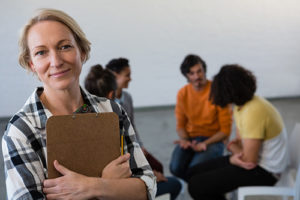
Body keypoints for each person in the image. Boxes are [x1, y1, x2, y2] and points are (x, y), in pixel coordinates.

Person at [2, 9, 156, 200]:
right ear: (32, 64)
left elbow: (147, 186)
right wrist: (111, 185)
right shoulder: (20, 131)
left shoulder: (112, 111)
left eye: (65, 47)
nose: (56, 61)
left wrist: (94, 187)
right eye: (41, 52)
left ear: (82, 51)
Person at [186, 64, 289, 200]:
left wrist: (232, 153)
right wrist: (234, 150)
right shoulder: (241, 106)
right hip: (256, 162)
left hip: (266, 172)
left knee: (196, 186)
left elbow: (248, 161)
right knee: (192, 173)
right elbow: (239, 145)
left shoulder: (253, 112)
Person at [104, 58, 182, 200]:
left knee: (157, 165)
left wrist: (140, 146)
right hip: (123, 151)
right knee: (153, 171)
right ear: (115, 76)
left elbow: (132, 126)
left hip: (132, 145)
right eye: (127, 75)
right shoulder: (105, 103)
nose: (130, 78)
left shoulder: (127, 98)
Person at [169, 54, 232, 179]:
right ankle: (203, 186)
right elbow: (180, 125)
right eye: (192, 73)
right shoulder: (183, 93)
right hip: (191, 138)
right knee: (175, 168)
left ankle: (203, 187)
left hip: (214, 139)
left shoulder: (217, 90)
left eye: (199, 71)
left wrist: (206, 143)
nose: (197, 76)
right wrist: (186, 141)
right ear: (186, 75)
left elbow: (225, 131)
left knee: (195, 169)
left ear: (204, 71)